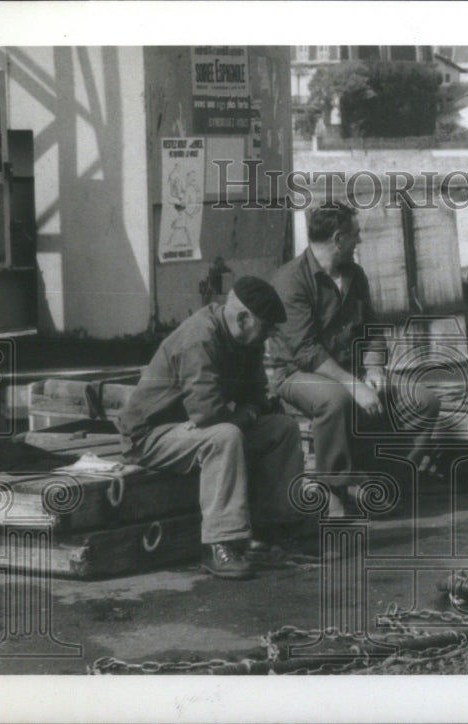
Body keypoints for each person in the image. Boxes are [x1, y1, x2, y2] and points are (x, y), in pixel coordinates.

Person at [117, 277, 304, 580]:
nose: (269, 336)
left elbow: (256, 396)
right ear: (244, 318)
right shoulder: (200, 338)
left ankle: (271, 532)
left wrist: (252, 410)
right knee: (224, 436)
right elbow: (208, 414)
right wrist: (245, 413)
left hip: (189, 429)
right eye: (266, 327)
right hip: (150, 436)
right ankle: (220, 543)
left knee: (283, 429)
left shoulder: (245, 340)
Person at [271, 202, 441, 516]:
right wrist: (353, 383)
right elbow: (305, 350)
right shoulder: (290, 281)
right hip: (297, 374)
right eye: (355, 234)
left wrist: (374, 366)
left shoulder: (355, 275)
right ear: (338, 239)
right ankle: (335, 486)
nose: (359, 241)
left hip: (350, 370)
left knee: (424, 401)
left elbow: (372, 327)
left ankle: (391, 477)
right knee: (335, 401)